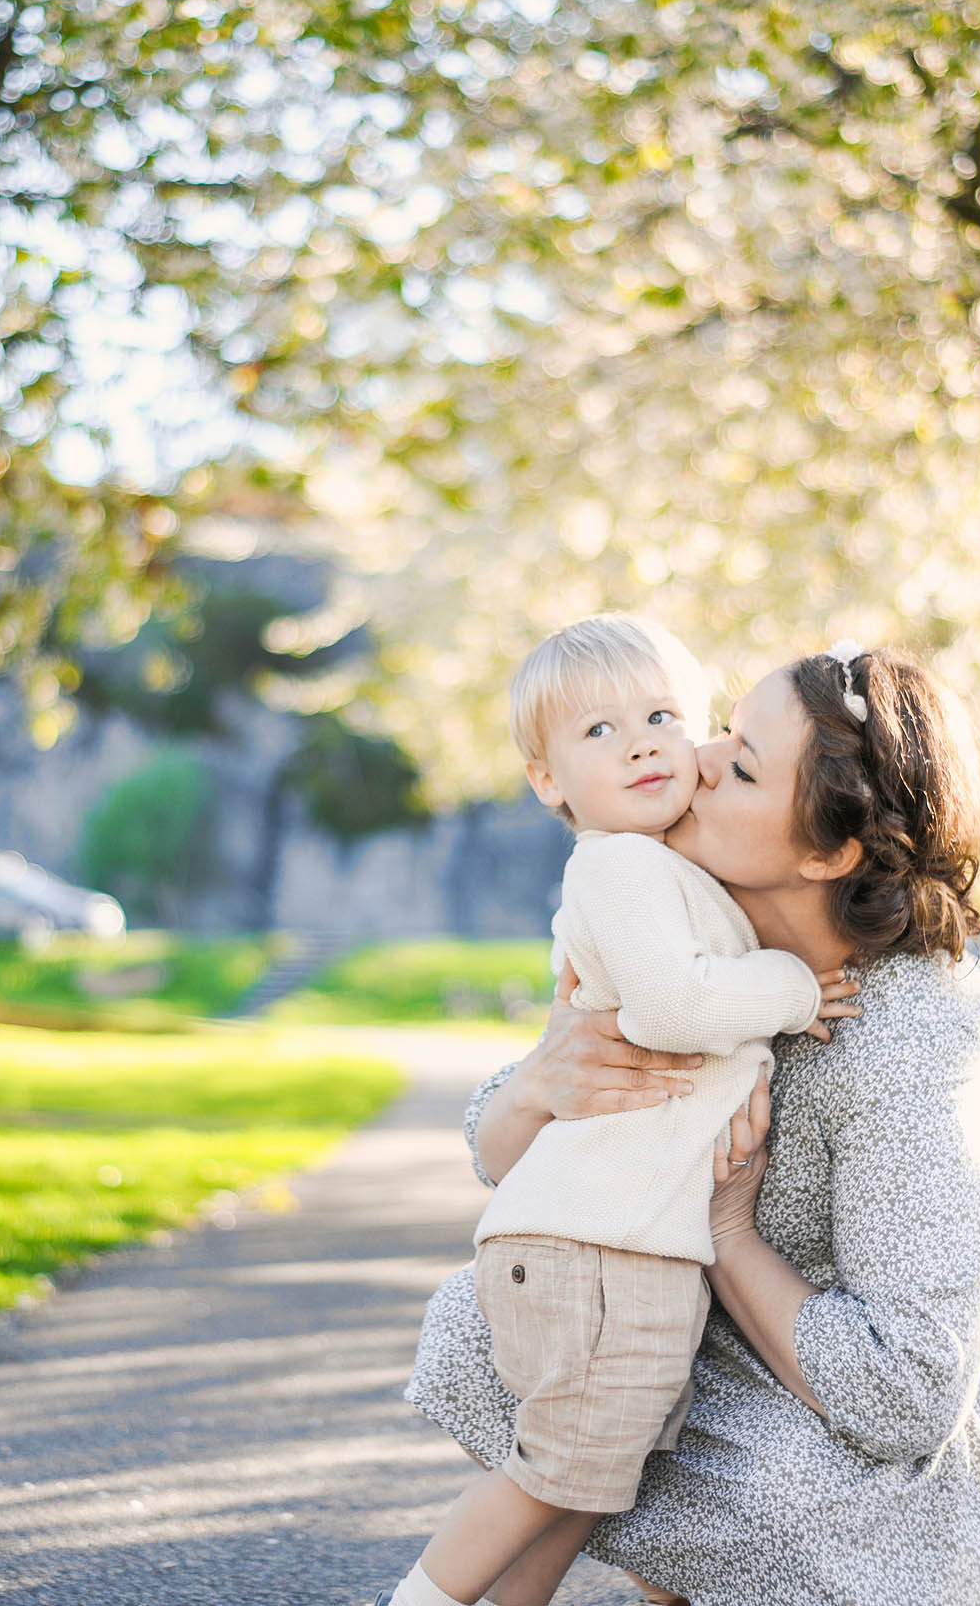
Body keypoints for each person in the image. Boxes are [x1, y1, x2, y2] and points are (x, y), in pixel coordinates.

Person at [405, 644, 980, 1606]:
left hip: (955, 1423)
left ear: (827, 852)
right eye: (719, 730)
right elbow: (508, 1154)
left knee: (757, 1481)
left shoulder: (917, 1037)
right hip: (751, 1344)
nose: (695, 758)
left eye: (742, 763)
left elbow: (908, 1392)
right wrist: (540, 1082)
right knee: (499, 1326)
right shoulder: (697, 928)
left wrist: (727, 1231)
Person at [377, 614, 860, 1606]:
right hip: (592, 1247)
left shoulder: (672, 866)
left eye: (660, 716)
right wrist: (793, 985)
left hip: (624, 1244)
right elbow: (672, 1006)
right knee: (553, 1470)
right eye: (599, 731)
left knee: (587, 1480)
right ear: (546, 780)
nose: (640, 744)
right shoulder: (618, 866)